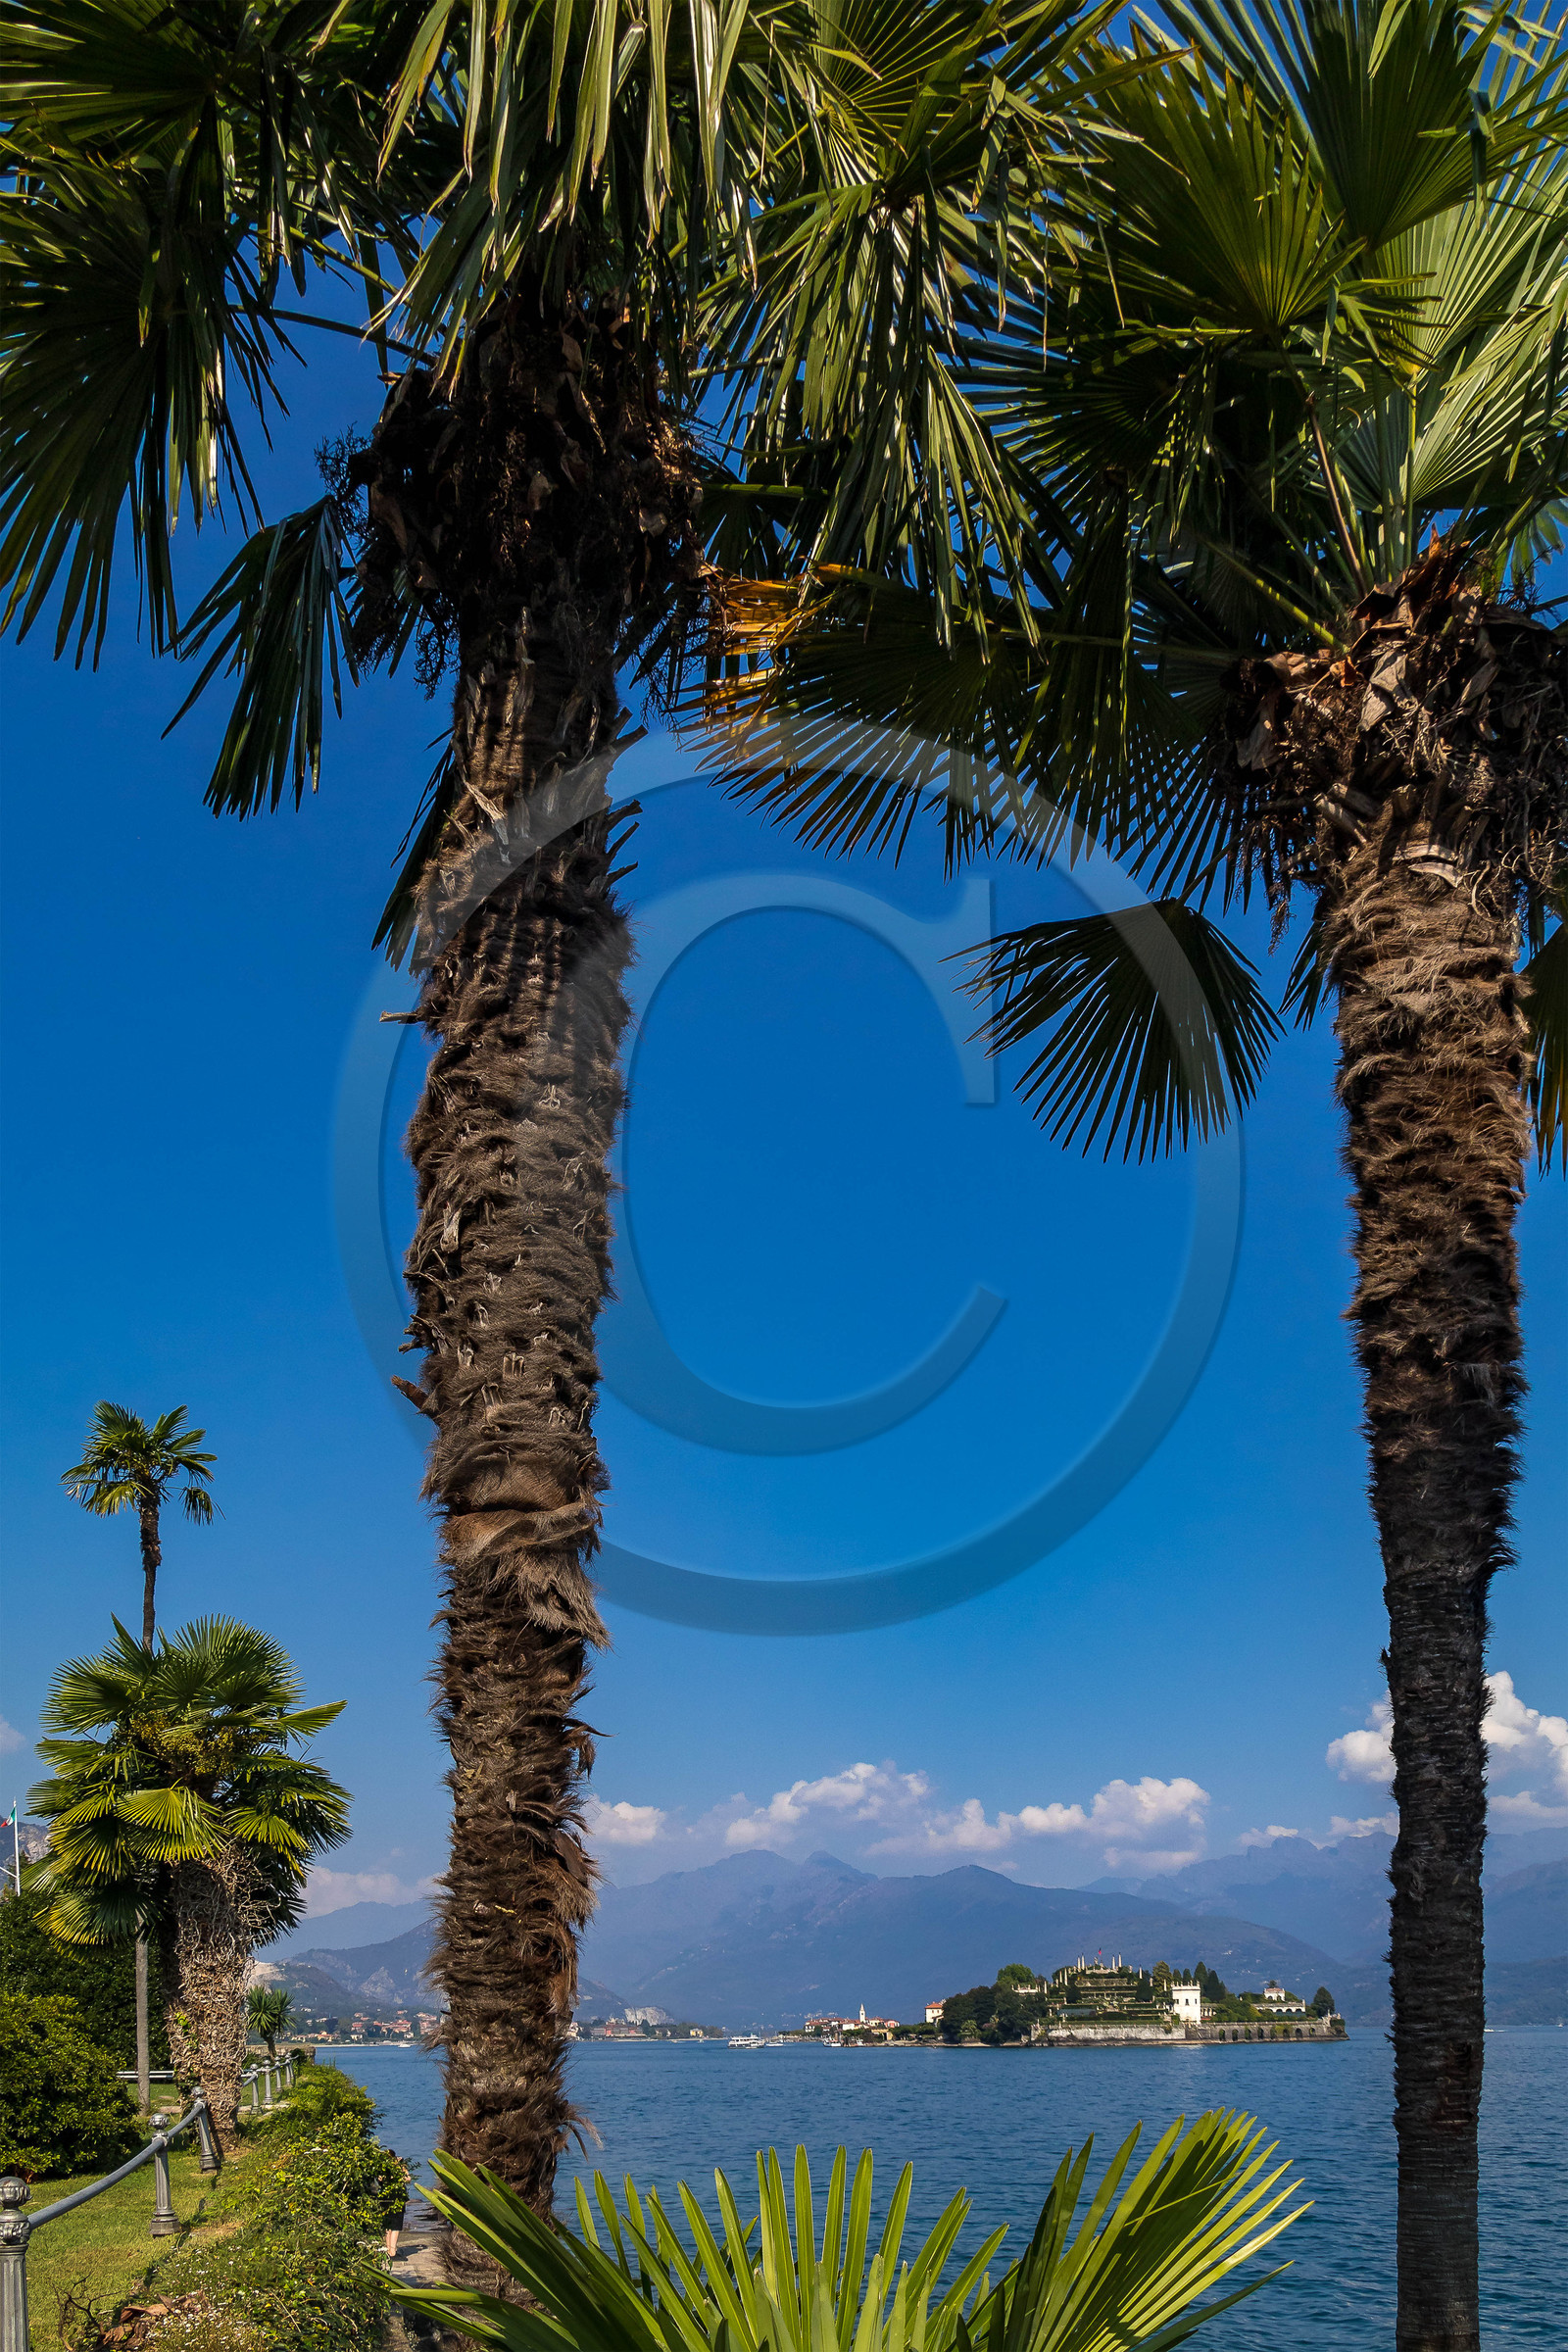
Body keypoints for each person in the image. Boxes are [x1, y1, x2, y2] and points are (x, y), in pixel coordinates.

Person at [382, 2148, 413, 2261]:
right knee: (395, 2224)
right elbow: (408, 2178)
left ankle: (388, 2249)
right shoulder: (399, 2167)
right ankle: (392, 2251)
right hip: (397, 2197)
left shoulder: (381, 2168)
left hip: (385, 2197)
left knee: (388, 2224)